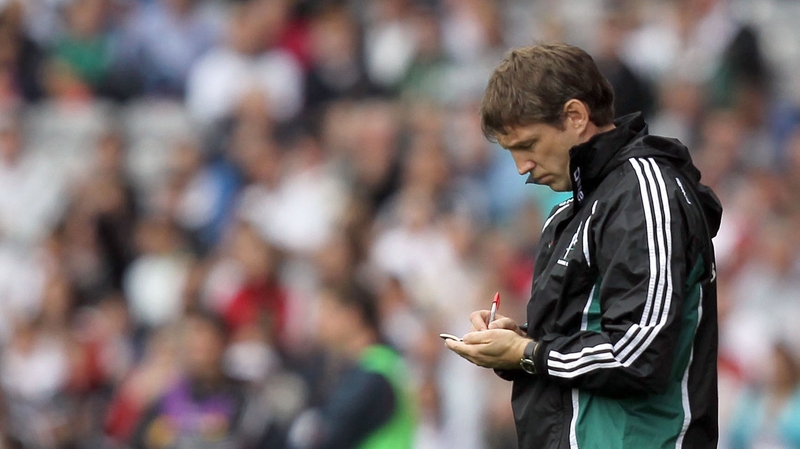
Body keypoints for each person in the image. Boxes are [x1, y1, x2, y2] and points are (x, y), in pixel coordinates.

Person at [445, 43, 722, 449]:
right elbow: (580, 347)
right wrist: (515, 342)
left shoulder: (644, 192)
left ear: (575, 116)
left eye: (528, 145)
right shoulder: (571, 212)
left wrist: (528, 352)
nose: (521, 167)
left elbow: (638, 353)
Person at [287, 282, 416, 449]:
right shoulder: (386, 362)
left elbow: (328, 434)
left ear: (353, 316)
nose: (319, 323)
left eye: (327, 313)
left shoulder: (372, 374)